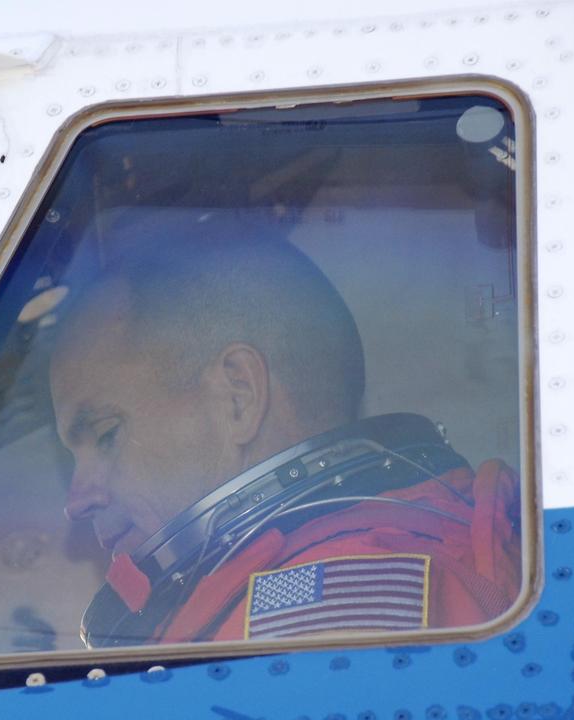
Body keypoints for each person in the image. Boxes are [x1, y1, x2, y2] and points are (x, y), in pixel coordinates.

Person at [48, 216, 521, 648]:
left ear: (238, 395)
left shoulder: (315, 620)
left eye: (106, 434)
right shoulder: (393, 563)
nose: (76, 500)